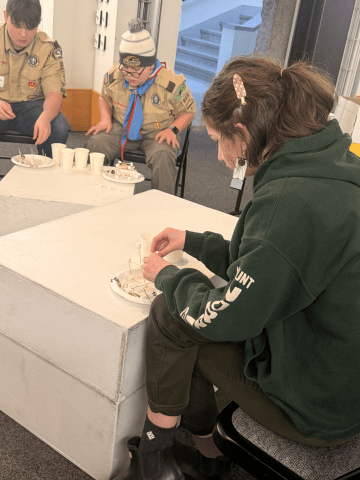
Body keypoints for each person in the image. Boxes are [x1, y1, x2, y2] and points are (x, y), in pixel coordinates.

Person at [117, 55, 360, 480]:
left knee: (172, 315)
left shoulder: (288, 202)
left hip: (317, 409)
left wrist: (169, 276)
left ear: (243, 135)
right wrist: (193, 241)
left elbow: (225, 317)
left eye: (217, 140)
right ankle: (207, 456)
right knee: (186, 309)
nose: (218, 155)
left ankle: (158, 465)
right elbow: (272, 263)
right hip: (341, 380)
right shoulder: (330, 164)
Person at [85, 18, 196, 195]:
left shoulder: (171, 84)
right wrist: (105, 119)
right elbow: (104, 97)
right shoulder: (115, 75)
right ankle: (94, 194)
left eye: (136, 71)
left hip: (157, 133)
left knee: (163, 156)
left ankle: (161, 204)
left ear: (151, 65)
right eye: (126, 70)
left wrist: (173, 130)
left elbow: (189, 111)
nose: (129, 76)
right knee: (95, 143)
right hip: (121, 127)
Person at [0, 0, 70, 157]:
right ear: (6, 16)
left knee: (59, 127)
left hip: (31, 106)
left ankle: (46, 175)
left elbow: (54, 95)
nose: (23, 34)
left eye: (30, 27)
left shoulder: (49, 48)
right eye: (18, 26)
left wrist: (45, 118)